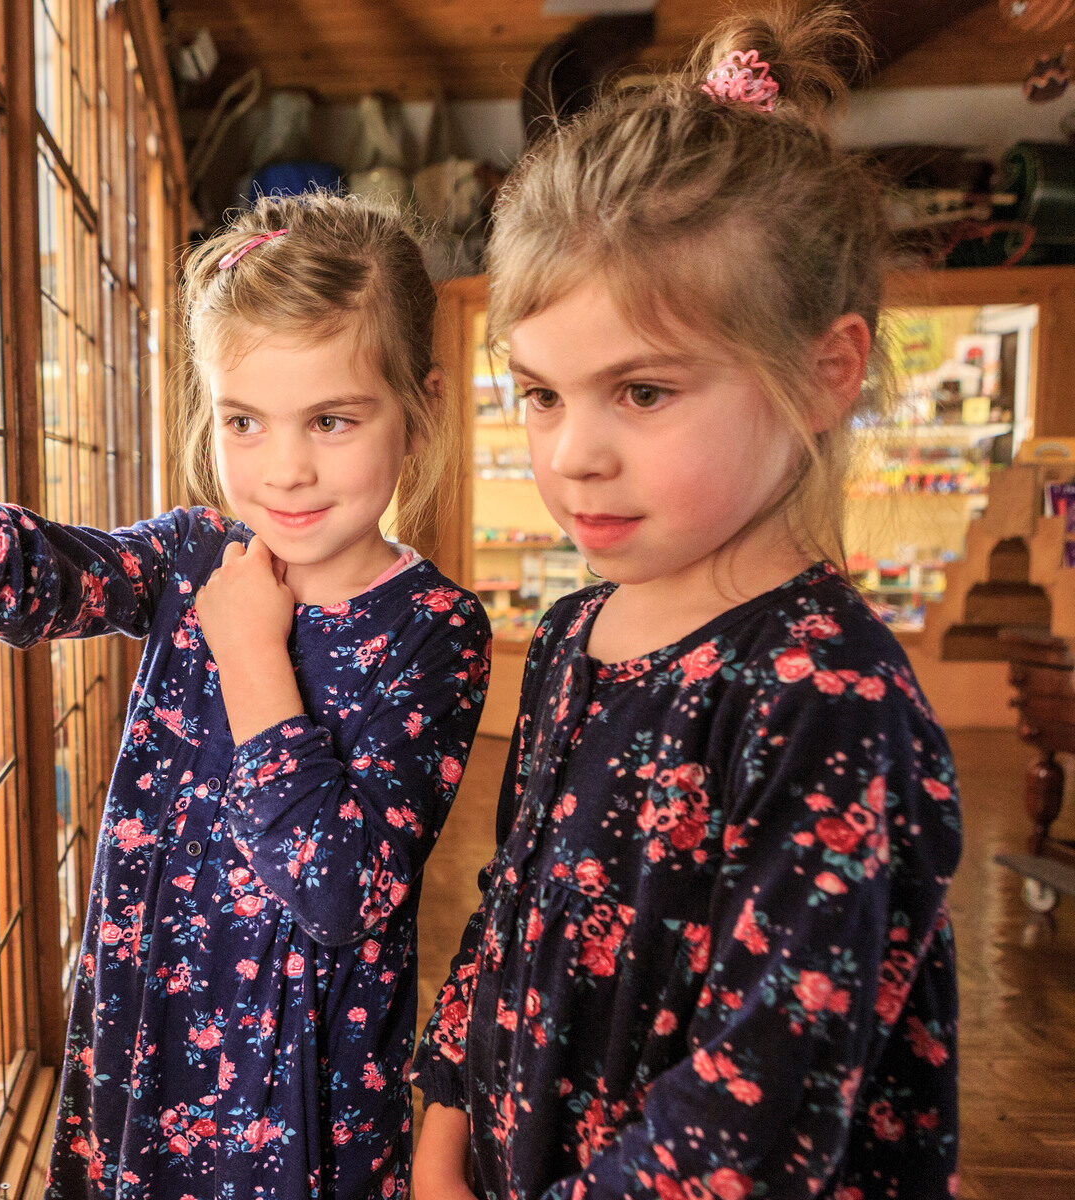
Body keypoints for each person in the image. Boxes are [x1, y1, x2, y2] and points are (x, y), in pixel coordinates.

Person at [0, 190, 492, 1198]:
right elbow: (54, 572)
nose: (287, 467)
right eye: (245, 421)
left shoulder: (435, 629)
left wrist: (253, 658)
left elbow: (342, 892)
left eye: (333, 419)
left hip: (300, 1099)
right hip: (145, 1048)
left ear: (423, 405)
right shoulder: (193, 555)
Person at [409, 10, 960, 1200]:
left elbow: (754, 1107)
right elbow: (513, 904)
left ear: (825, 373)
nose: (572, 457)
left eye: (642, 390)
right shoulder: (567, 638)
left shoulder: (831, 699)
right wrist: (444, 1121)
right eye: (541, 393)